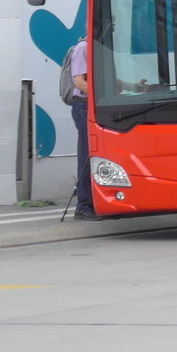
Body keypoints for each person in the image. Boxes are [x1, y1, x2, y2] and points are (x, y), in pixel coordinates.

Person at [69, 39, 100, 220]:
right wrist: (101, 94)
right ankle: (84, 206)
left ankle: (94, 203)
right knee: (87, 154)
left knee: (97, 154)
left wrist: (131, 87)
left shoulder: (100, 48)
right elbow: (79, 82)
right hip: (84, 105)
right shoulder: (83, 47)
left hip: (95, 104)